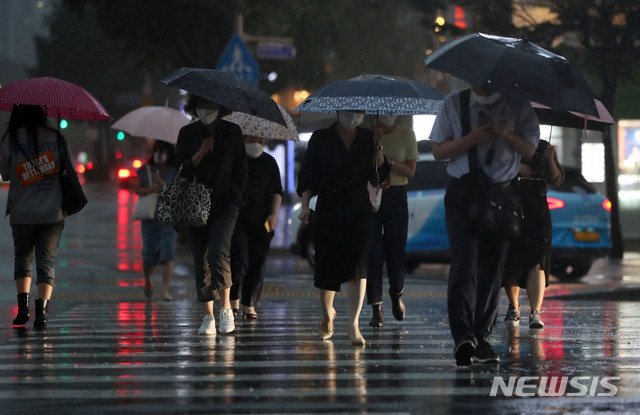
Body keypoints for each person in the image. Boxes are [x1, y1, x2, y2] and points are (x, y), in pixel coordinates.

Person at [429, 86, 539, 365]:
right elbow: (439, 151)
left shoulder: (518, 105)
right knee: (464, 265)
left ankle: (482, 337)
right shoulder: (454, 103)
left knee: (493, 269)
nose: (484, 84)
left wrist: (507, 134)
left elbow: (530, 149)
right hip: (462, 194)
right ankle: (463, 336)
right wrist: (470, 139)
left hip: (501, 196)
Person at [297, 110, 389, 346]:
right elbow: (308, 174)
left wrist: (379, 147)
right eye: (348, 112)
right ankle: (328, 316)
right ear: (338, 112)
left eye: (357, 112)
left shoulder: (369, 137)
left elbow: (379, 177)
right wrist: (306, 205)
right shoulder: (320, 138)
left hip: (359, 209)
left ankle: (354, 323)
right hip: (329, 207)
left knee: (359, 267)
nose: (353, 116)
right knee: (326, 265)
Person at [175, 94, 247, 335]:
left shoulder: (232, 132)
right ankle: (208, 316)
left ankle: (225, 308)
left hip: (226, 203)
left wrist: (236, 198)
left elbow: (240, 169)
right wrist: (201, 151)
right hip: (196, 202)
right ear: (194, 108)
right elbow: (182, 170)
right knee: (200, 257)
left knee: (217, 251)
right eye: (201, 106)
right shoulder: (187, 133)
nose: (206, 110)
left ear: (220, 107)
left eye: (211, 105)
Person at [0, 104, 72, 329]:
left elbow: (5, 173)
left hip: (22, 211)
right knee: (46, 261)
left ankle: (23, 310)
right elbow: (66, 169)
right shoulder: (57, 137)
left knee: (23, 259)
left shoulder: (11, 138)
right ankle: (41, 312)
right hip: (52, 210)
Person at [503, 140, 564, 329]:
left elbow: (557, 179)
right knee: (511, 261)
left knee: (537, 262)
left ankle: (535, 312)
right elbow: (493, 169)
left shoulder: (543, 147)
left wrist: (551, 160)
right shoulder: (507, 143)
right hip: (511, 206)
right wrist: (515, 166)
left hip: (537, 211)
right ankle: (514, 306)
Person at [366, 115, 418, 328]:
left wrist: (388, 161)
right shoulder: (369, 135)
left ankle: (397, 293)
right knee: (373, 253)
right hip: (372, 194)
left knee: (396, 250)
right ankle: (376, 307)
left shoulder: (407, 134)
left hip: (396, 195)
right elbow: (364, 166)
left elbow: (410, 171)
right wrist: (376, 147)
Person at [230, 135, 283, 319]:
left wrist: (274, 214)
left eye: (261, 141)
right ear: (244, 139)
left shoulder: (269, 162)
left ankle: (249, 303)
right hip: (237, 219)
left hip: (263, 221)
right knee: (238, 258)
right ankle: (233, 299)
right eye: (253, 140)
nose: (257, 144)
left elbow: (277, 190)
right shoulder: (235, 160)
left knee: (258, 261)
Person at [134, 140, 179, 301]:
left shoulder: (175, 171)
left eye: (163, 151)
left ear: (169, 153)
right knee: (149, 255)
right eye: (157, 150)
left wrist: (164, 186)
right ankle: (147, 282)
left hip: (168, 219)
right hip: (149, 220)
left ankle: (165, 290)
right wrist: (152, 188)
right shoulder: (146, 170)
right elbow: (137, 189)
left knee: (168, 253)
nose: (159, 154)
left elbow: (178, 192)